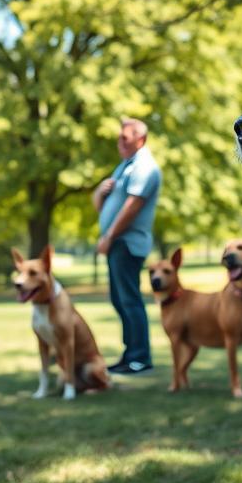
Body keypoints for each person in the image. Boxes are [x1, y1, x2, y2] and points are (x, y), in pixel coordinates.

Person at [93, 117, 161, 376]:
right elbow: (106, 207)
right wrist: (99, 193)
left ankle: (140, 358)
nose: (119, 141)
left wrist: (109, 236)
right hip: (116, 242)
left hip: (126, 243)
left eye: (126, 137)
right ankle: (129, 353)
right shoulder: (125, 166)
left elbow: (132, 207)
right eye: (119, 136)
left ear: (140, 139)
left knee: (130, 300)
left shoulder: (144, 166)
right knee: (119, 300)